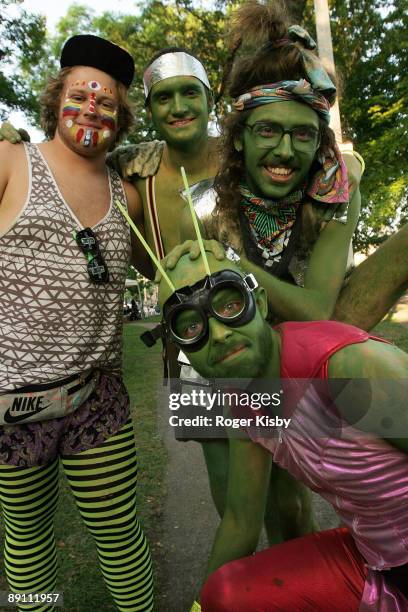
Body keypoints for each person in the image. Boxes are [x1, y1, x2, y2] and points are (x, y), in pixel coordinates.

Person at [157, 249, 408, 611]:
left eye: (229, 305)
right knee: (224, 595)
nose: (219, 333)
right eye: (191, 325)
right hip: (373, 558)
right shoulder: (241, 399)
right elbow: (241, 521)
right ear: (179, 347)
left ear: (257, 300)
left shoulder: (345, 366)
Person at [0, 35, 153, 611]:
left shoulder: (127, 193)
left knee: (122, 540)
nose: (92, 107)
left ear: (121, 117)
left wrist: (154, 172)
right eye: (81, 94)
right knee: (28, 544)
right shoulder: (11, 161)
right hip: (11, 406)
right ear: (54, 98)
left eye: (107, 101)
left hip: (98, 400)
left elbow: (168, 257)